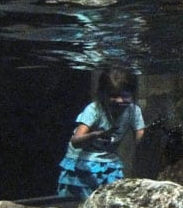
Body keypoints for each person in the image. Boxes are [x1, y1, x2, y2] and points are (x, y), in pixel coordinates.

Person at [57, 69, 145, 200]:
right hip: (83, 161)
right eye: (114, 96)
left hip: (108, 161)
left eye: (125, 96)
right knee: (80, 202)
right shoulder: (94, 109)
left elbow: (141, 136)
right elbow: (75, 141)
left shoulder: (133, 110)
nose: (120, 100)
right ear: (103, 94)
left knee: (112, 199)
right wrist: (95, 135)